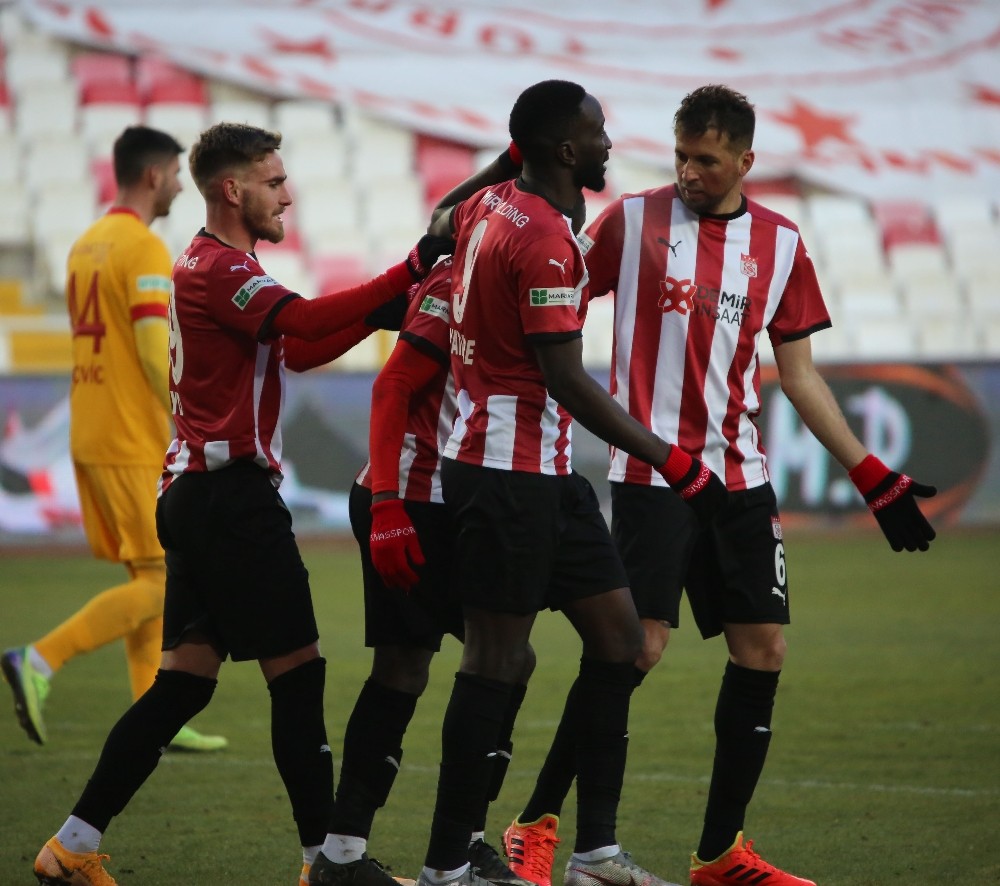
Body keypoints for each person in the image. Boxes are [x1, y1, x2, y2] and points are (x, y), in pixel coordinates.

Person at [500, 84, 938, 886]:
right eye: (681, 156)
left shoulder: (781, 244)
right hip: (652, 475)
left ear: (745, 161)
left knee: (763, 649)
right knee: (636, 649)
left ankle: (720, 854)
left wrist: (870, 473)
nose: (689, 172)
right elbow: (550, 303)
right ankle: (535, 823)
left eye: (706, 160)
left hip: (740, 477)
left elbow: (799, 377)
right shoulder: (630, 222)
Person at [31, 121, 454, 886]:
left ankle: (69, 846)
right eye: (274, 181)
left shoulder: (214, 265)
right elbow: (301, 322)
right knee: (298, 676)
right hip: (231, 501)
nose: (287, 196)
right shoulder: (220, 268)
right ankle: (324, 863)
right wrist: (410, 270)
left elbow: (298, 348)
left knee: (183, 685)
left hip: (197, 495)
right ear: (233, 189)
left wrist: (375, 313)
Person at [372, 79, 726, 886]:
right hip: (505, 473)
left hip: (545, 473)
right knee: (495, 659)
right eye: (597, 133)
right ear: (568, 149)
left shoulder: (486, 205)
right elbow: (565, 379)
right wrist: (672, 460)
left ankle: (594, 853)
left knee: (620, 641)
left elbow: (441, 218)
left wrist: (510, 154)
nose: (608, 144)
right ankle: (445, 868)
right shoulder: (544, 242)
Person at [310, 148, 539, 886]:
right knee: (439, 663)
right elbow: (393, 386)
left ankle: (410, 847)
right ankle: (368, 854)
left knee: (485, 660)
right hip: (411, 498)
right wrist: (386, 506)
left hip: (451, 498)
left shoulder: (509, 270)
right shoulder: (453, 279)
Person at [0, 126, 227, 754]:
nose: (180, 185)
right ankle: (38, 660)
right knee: (161, 582)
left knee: (147, 572)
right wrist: (189, 415)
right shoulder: (144, 248)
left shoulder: (87, 243)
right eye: (176, 174)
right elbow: (154, 351)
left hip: (91, 427)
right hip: (131, 435)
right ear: (153, 175)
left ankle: (154, 715)